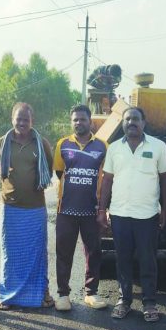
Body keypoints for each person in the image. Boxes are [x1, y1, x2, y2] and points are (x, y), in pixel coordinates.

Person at [97, 106, 166, 322]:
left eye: (136, 119)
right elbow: (107, 179)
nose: (132, 122)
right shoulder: (113, 149)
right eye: (128, 119)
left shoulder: (158, 146)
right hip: (120, 214)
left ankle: (149, 302)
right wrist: (102, 209)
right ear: (123, 123)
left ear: (143, 122)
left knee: (148, 260)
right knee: (123, 259)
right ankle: (124, 300)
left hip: (147, 215)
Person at [0, 102, 55, 310]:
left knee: (38, 252)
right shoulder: (3, 142)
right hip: (11, 207)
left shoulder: (41, 143)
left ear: (32, 121)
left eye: (26, 119)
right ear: (12, 119)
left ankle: (42, 292)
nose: (22, 123)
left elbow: (49, 166)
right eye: (18, 119)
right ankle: (7, 295)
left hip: (35, 208)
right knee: (10, 253)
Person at [52, 104, 109, 311]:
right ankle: (63, 295)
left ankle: (91, 293)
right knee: (63, 252)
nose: (79, 123)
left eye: (82, 119)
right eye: (75, 119)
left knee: (93, 252)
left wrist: (103, 207)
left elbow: (106, 177)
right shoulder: (62, 144)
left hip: (91, 210)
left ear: (90, 121)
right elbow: (60, 172)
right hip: (66, 210)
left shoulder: (102, 146)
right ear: (71, 122)